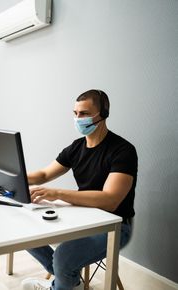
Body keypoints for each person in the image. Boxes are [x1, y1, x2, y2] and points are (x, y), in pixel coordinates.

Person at [21, 90, 137, 290]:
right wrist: (13, 176)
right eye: (75, 113)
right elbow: (43, 174)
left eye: (83, 113)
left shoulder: (123, 150)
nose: (77, 118)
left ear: (103, 114)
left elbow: (110, 200)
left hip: (116, 226)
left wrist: (56, 193)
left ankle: (62, 281)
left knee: (64, 257)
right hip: (85, 216)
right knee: (24, 230)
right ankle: (68, 281)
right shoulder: (76, 148)